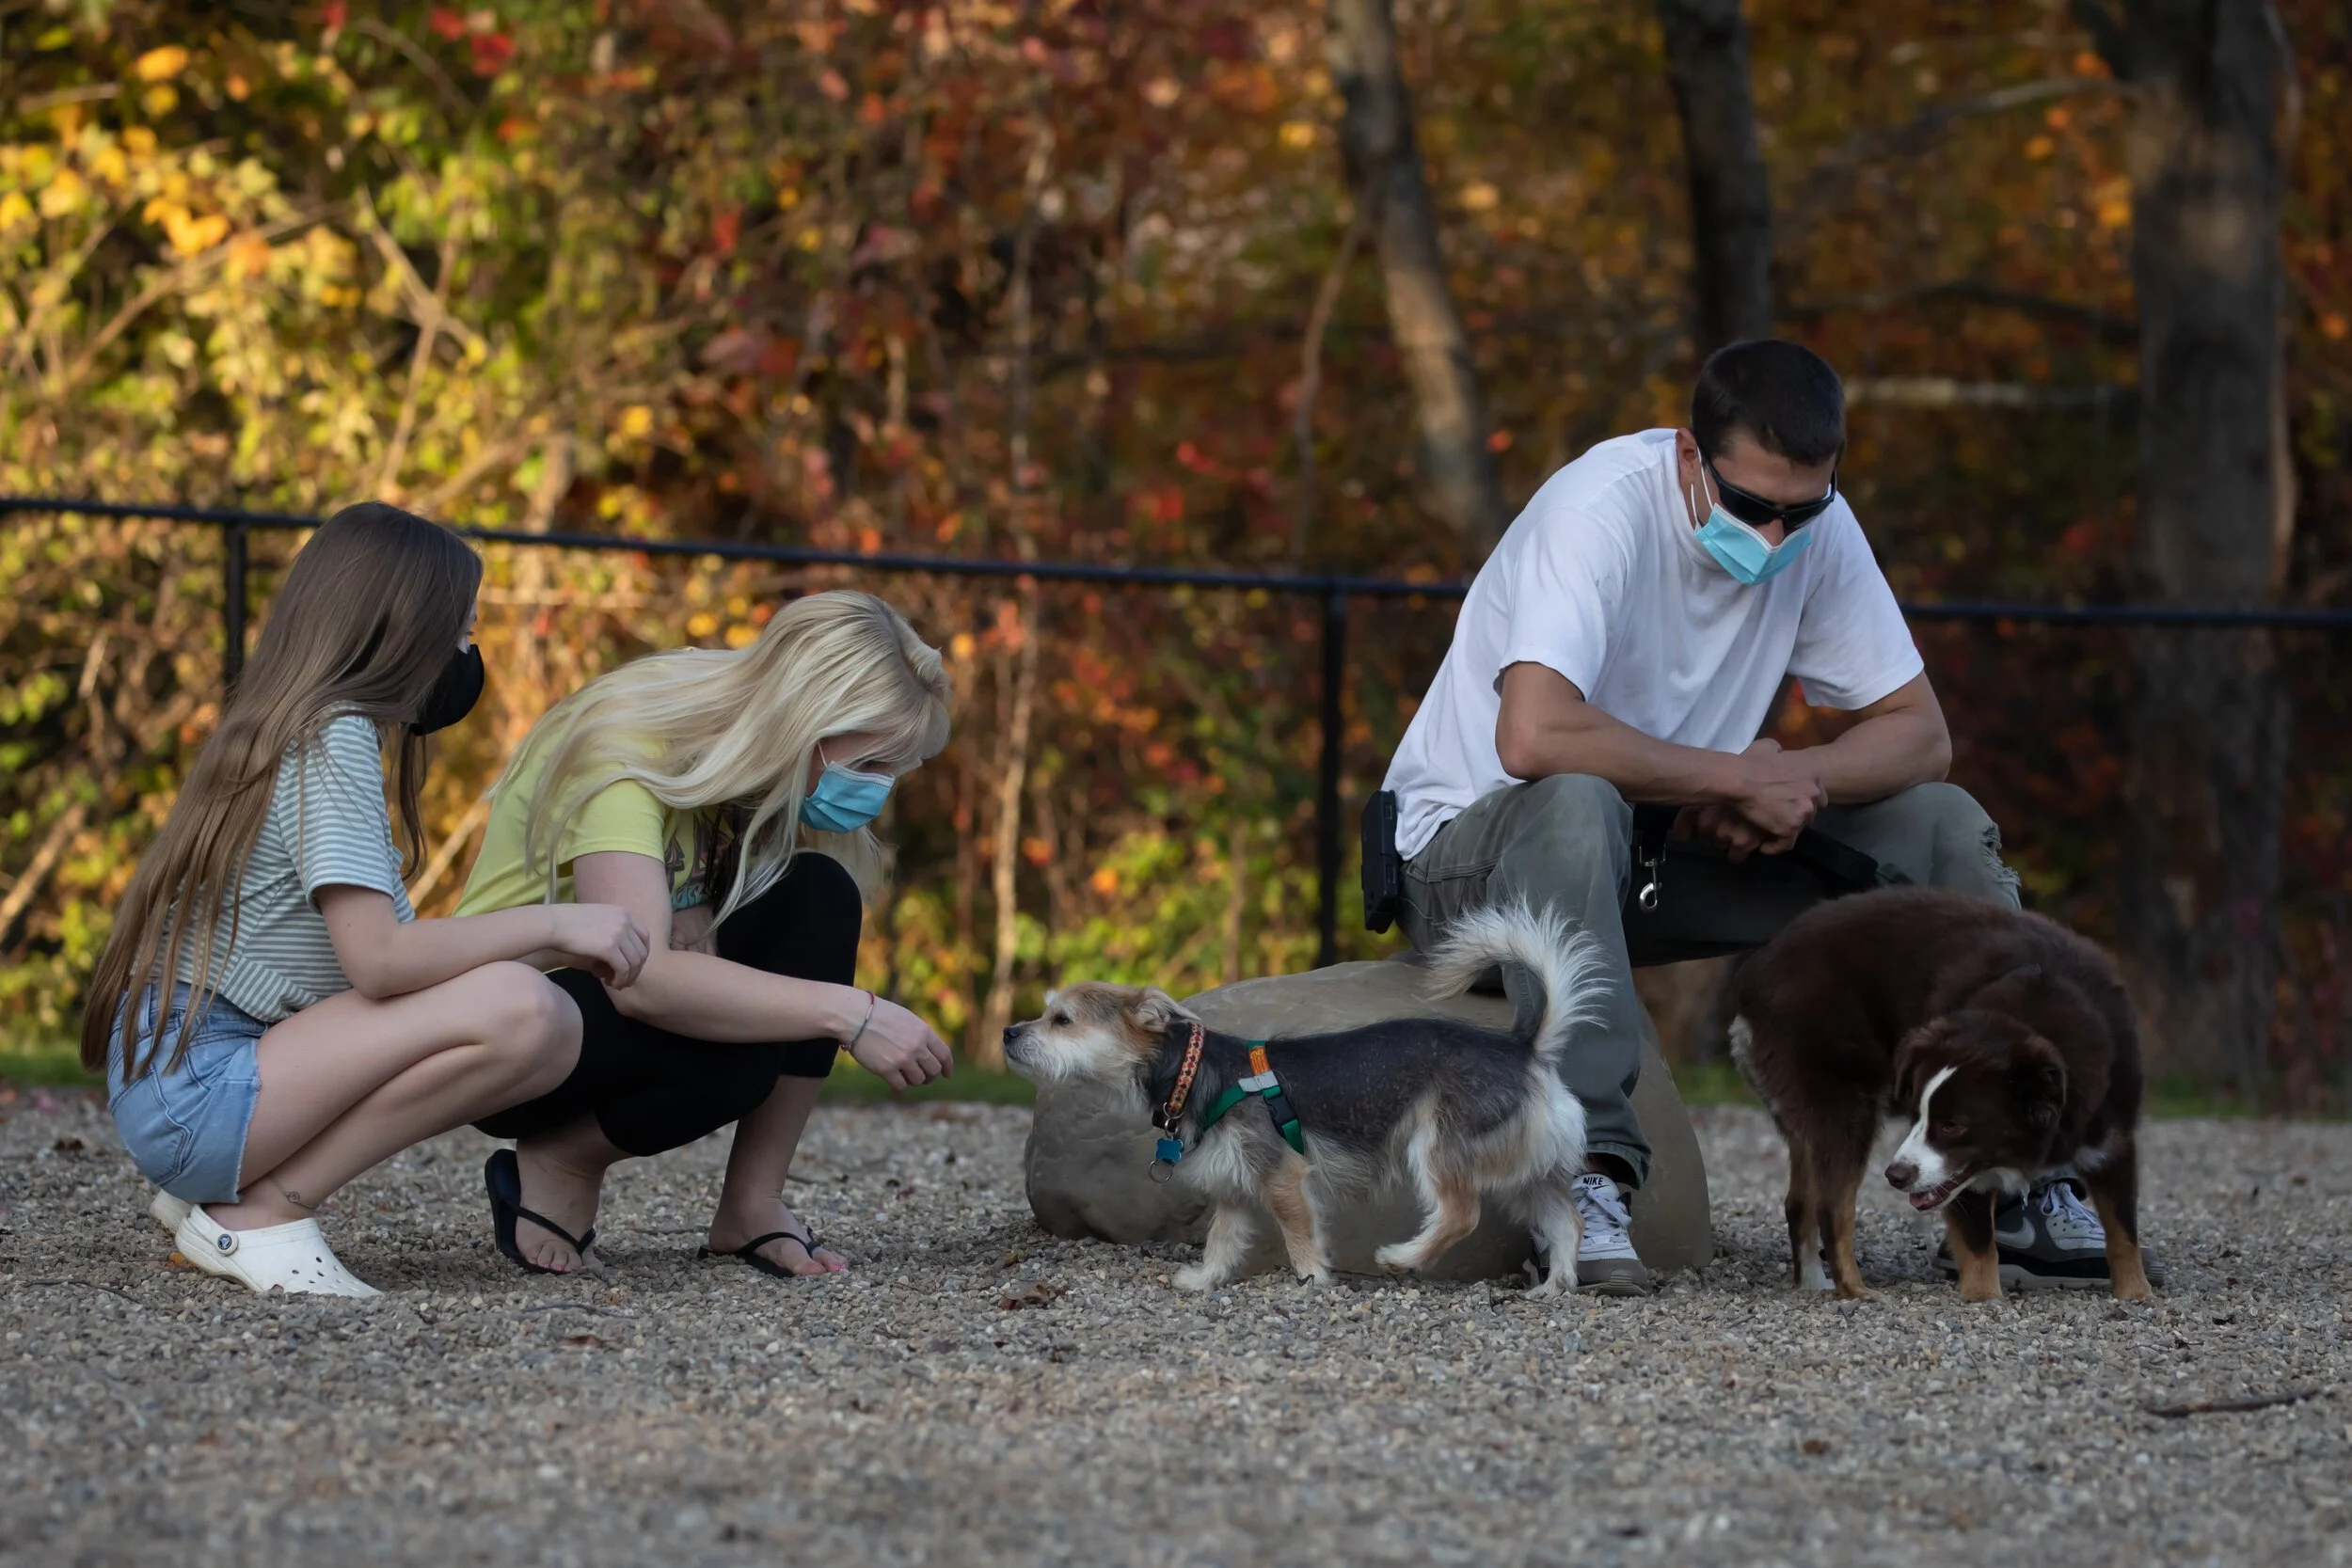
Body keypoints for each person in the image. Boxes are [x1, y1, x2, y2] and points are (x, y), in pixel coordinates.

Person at [1378, 339, 2110, 1296]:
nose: (1774, 537)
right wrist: (1726, 778)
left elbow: (1919, 736)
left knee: (1939, 822)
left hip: (1656, 848)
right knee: (1574, 798)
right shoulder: (1598, 511)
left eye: (1799, 510)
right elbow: (1533, 735)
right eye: (1751, 507)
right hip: (1475, 857)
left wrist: (1792, 778)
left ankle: (2016, 1176)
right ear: (1689, 456)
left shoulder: (1820, 527)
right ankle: (1586, 1174)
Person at [82, 503, 651, 1298]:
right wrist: (556, 921)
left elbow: (398, 976)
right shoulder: (332, 734)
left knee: (537, 1016)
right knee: (533, 1015)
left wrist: (567, 944)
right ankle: (261, 1210)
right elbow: (381, 963)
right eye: (461, 630)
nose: (467, 653)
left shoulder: (297, 723)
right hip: (202, 1092)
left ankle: (221, 1196)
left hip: (188, 1088)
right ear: (401, 630)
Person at [453, 589, 956, 1278]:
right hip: (514, 1027)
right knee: (746, 1041)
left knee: (820, 898)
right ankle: (563, 1159)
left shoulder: (749, 736)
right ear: (807, 718)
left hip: (612, 989)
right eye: (870, 765)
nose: (879, 789)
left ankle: (753, 1203)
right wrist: (852, 1013)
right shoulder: (629, 735)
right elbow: (640, 976)